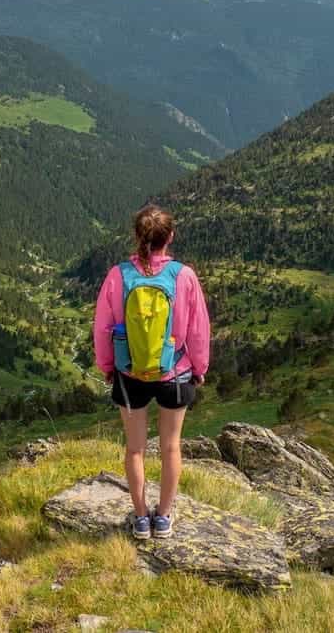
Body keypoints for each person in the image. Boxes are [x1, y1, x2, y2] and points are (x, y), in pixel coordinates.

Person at [93, 204, 211, 540]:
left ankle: (141, 518)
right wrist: (199, 368)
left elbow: (102, 328)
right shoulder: (183, 276)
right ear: (169, 237)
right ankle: (164, 517)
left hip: (130, 375)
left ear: (136, 236)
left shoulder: (118, 276)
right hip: (175, 374)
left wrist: (107, 367)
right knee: (171, 446)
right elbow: (198, 331)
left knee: (135, 449)